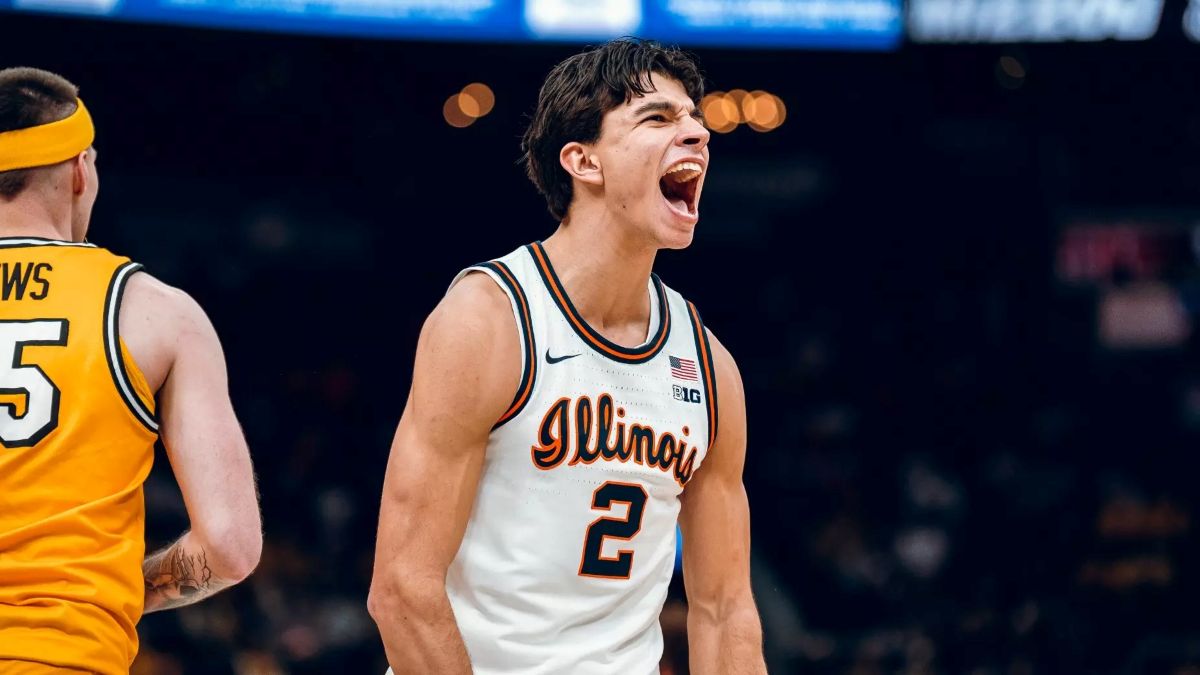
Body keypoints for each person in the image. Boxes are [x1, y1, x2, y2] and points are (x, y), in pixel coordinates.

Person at [369, 39, 766, 673]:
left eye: (694, 118)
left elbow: (725, 609)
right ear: (584, 161)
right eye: (658, 118)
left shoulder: (710, 365)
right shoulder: (489, 319)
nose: (695, 132)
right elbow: (402, 589)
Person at [0, 67, 262, 675]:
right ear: (79, 171)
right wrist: (125, 590)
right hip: (65, 654)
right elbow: (230, 548)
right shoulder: (154, 311)